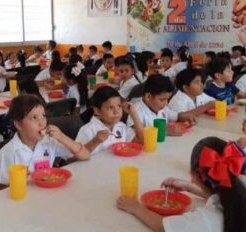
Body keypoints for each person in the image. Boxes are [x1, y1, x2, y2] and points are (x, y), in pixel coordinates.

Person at [117, 137, 246, 232]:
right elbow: (225, 197)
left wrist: (135, 208)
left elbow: (162, 226)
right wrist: (188, 187)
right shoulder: (239, 191)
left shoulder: (206, 219)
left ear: (194, 176)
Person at [0, 94, 90, 189]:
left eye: (43, 116)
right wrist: (17, 181)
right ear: (19, 125)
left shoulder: (48, 141)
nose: (42, 123)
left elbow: (85, 155)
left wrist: (62, 137)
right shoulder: (7, 153)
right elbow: (1, 187)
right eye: (34, 118)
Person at [76, 86, 143, 155]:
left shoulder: (121, 126)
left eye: (119, 106)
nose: (116, 112)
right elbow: (74, 158)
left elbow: (141, 141)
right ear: (97, 111)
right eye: (111, 107)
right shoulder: (87, 130)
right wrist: (95, 141)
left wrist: (133, 114)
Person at [127, 74, 196, 136]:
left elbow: (176, 116)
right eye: (162, 99)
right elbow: (135, 133)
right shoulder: (136, 110)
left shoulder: (162, 108)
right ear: (148, 97)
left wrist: (186, 116)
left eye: (167, 99)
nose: (166, 103)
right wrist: (164, 131)